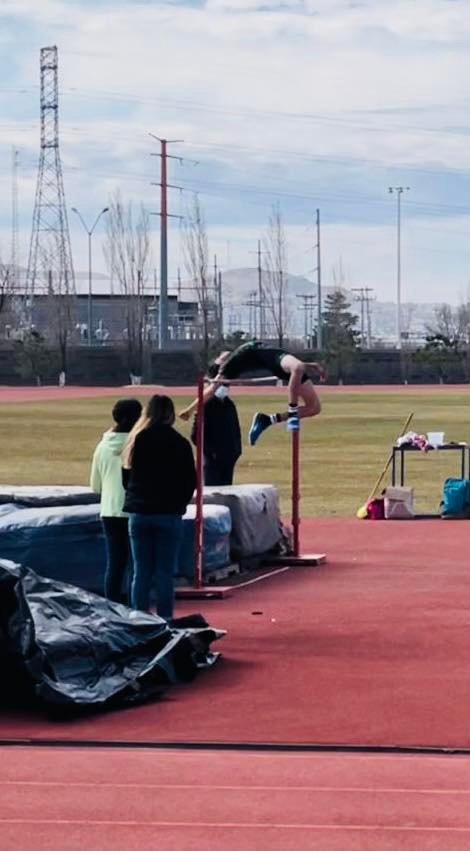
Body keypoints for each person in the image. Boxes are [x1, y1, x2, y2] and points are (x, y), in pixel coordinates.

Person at [122, 395, 196, 620]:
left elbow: (127, 477)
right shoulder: (180, 443)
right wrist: (179, 505)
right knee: (165, 572)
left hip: (141, 512)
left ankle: (139, 619)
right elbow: (189, 481)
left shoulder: (138, 439)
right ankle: (166, 621)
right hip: (168, 513)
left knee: (141, 570)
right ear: (171, 415)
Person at [179, 341, 325, 445]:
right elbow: (210, 391)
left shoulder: (235, 358)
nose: (223, 356)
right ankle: (292, 411)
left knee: (314, 407)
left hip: (274, 357)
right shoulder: (227, 368)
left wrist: (310, 365)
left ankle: (267, 420)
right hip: (275, 361)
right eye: (220, 358)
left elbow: (270, 357)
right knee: (298, 368)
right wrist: (190, 410)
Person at [90, 398, 143, 603]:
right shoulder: (139, 444)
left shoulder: (102, 446)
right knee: (136, 564)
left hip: (110, 510)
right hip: (135, 508)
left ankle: (111, 606)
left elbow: (96, 486)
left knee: (115, 563)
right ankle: (134, 608)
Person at [190, 384, 242, 486]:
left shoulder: (229, 404)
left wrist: (237, 450)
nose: (226, 387)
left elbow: (236, 429)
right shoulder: (205, 406)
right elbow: (196, 436)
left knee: (226, 493)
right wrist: (211, 452)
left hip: (228, 459)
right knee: (213, 493)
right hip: (212, 462)